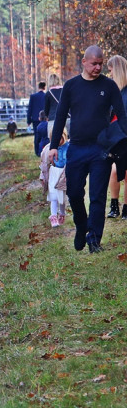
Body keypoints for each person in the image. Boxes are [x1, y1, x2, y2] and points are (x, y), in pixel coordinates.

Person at [49, 46, 127, 253]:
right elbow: (60, 116)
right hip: (77, 147)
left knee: (98, 196)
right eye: (94, 63)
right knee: (74, 193)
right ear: (83, 62)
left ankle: (94, 239)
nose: (98, 67)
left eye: (101, 63)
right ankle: (81, 224)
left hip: (101, 150)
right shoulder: (71, 86)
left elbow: (122, 115)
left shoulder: (109, 86)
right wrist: (54, 146)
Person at [105, 55, 127, 219]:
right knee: (113, 172)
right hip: (114, 138)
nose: (109, 73)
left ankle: (126, 207)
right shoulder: (112, 90)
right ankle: (114, 205)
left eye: (111, 70)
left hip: (125, 136)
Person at [40, 124, 68, 228]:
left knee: (62, 196)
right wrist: (43, 176)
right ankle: (53, 216)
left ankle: (62, 213)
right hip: (54, 173)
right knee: (54, 197)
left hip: (64, 174)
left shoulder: (68, 147)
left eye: (60, 138)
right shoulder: (48, 149)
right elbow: (44, 164)